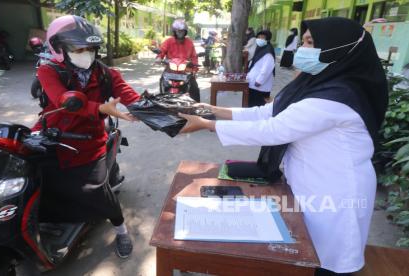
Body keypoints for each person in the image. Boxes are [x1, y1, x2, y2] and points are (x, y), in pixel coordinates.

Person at [178, 17, 388, 276]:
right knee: (304, 250)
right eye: (303, 41)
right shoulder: (315, 83)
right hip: (308, 181)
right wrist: (211, 110)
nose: (303, 48)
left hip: (336, 192)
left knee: (326, 259)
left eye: (311, 42)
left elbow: (274, 129)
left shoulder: (338, 97)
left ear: (337, 47)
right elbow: (269, 112)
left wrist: (205, 124)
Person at [34, 15, 141, 259]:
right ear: (58, 48)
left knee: (95, 190)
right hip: (51, 135)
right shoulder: (48, 70)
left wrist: (149, 108)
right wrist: (100, 108)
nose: (86, 54)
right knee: (29, 177)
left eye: (91, 49)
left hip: (88, 140)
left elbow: (127, 93)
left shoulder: (104, 73)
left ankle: (121, 230)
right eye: (78, 49)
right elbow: (63, 99)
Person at [156, 19, 200, 102]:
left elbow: (194, 56)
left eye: (182, 31)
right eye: (178, 31)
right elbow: (162, 50)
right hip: (170, 69)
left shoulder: (189, 42)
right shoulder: (168, 41)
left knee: (194, 87)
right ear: (174, 32)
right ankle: (162, 102)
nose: (180, 33)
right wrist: (159, 58)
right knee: (162, 81)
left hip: (185, 70)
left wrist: (195, 68)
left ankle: (197, 106)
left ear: (185, 32)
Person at [246, 30, 276, 107]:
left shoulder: (268, 51)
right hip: (253, 84)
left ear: (267, 39)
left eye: (262, 37)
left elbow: (267, 69)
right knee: (251, 105)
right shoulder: (260, 49)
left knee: (258, 106)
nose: (259, 39)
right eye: (258, 37)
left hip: (259, 86)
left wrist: (259, 81)